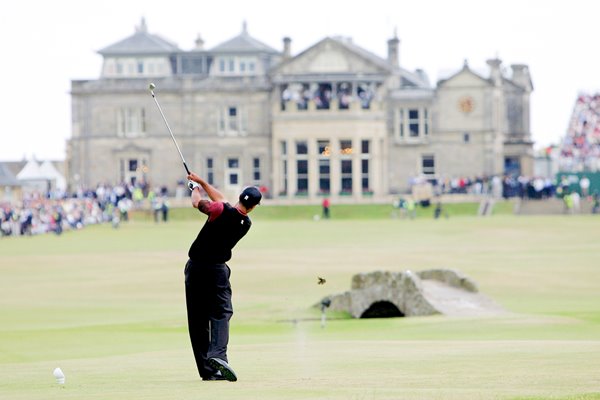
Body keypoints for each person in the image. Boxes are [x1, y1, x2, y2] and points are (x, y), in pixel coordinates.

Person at [184, 171, 262, 382]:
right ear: (253, 207)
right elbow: (221, 201)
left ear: (240, 197)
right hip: (217, 270)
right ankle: (218, 356)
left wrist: (195, 189)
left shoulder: (219, 209)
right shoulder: (245, 224)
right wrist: (200, 181)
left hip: (195, 268)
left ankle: (207, 371)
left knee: (197, 319)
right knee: (222, 312)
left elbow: (198, 203)